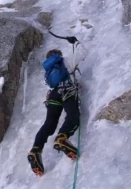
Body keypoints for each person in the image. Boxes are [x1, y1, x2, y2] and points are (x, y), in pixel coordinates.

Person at [27, 38, 87, 177]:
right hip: (67, 91)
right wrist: (75, 42)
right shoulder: (64, 62)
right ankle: (62, 138)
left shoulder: (48, 73)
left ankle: (36, 150)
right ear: (58, 56)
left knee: (49, 123)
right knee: (73, 116)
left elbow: (54, 85)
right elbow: (83, 52)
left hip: (53, 96)